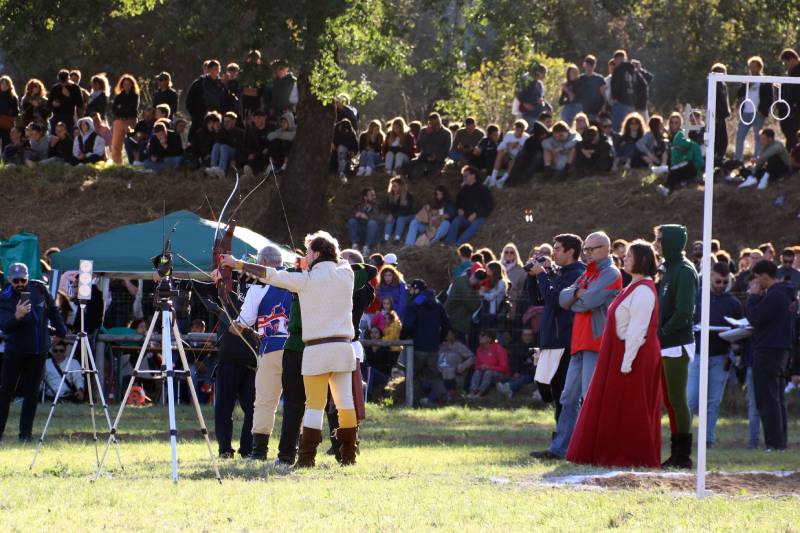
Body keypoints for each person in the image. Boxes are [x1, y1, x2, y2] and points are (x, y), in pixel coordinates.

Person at [221, 230, 360, 467]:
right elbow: (346, 261)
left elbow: (268, 274)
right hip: (343, 348)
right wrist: (320, 258)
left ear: (316, 253)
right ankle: (349, 455)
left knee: (314, 406)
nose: (305, 256)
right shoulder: (346, 274)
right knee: (345, 402)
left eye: (308, 252)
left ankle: (306, 458)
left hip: (316, 350)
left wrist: (237, 264)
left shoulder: (305, 280)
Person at [566, 240, 663, 468]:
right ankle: (606, 450)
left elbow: (637, 331)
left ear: (642, 260)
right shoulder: (632, 287)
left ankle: (630, 454)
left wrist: (626, 363)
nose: (624, 259)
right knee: (614, 407)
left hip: (632, 358)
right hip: (618, 355)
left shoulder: (644, 291)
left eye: (629, 256)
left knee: (630, 408)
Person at [530, 231, 621, 460]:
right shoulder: (587, 273)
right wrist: (576, 296)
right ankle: (560, 449)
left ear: (605, 248)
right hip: (579, 343)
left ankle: (591, 448)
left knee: (588, 398)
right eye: (586, 249)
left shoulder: (610, 273)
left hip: (596, 342)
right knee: (567, 398)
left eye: (592, 249)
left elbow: (586, 301)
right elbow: (562, 299)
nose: (587, 254)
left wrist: (576, 298)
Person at [228, 246, 292, 461]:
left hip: (271, 349)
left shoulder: (258, 289)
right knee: (297, 400)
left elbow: (243, 322)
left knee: (265, 401)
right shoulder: (298, 280)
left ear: (262, 262)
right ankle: (294, 449)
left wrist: (234, 324)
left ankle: (259, 451)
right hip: (298, 349)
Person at [0, 263, 69, 442]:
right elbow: (5, 327)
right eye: (16, 280)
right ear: (9, 279)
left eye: (23, 279)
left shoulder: (39, 289)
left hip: (38, 351)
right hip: (15, 350)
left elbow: (53, 310)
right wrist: (17, 316)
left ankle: (25, 435)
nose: (20, 283)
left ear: (28, 277)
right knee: (6, 392)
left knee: (32, 394)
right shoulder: (5, 296)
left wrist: (61, 332)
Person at [529, 234, 586, 427]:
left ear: (570, 252)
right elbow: (538, 300)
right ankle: (562, 437)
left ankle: (564, 440)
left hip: (564, 341)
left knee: (563, 394)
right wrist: (535, 276)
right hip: (552, 340)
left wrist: (542, 275)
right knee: (549, 390)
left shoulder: (577, 274)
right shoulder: (561, 272)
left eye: (557, 248)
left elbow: (556, 301)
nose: (554, 252)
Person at [654, 224, 698, 469]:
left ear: (671, 241)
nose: (656, 244)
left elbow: (684, 311)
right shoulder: (668, 269)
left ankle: (683, 456)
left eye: (660, 239)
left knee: (677, 399)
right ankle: (676, 454)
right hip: (666, 343)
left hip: (675, 345)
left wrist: (662, 332)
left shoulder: (684, 270)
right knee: (670, 400)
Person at [686, 261, 742, 448]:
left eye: (725, 282)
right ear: (710, 277)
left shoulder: (733, 302)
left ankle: (707, 439)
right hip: (697, 354)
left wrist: (735, 341)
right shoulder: (696, 296)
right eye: (718, 281)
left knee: (713, 401)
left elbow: (739, 329)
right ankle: (683, 437)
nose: (721, 286)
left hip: (720, 356)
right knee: (691, 399)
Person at [746, 259, 795, 451]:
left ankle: (774, 443)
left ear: (765, 276)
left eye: (757, 278)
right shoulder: (787, 293)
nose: (756, 282)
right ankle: (779, 442)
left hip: (768, 350)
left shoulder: (775, 295)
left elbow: (756, 317)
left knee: (767, 399)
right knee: (776, 398)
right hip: (781, 349)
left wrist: (753, 296)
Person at [401, 279, 450, 404]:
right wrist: (439, 339)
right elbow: (446, 324)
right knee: (434, 375)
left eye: (412, 289)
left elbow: (408, 325)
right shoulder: (438, 304)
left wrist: (402, 338)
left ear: (416, 289)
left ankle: (413, 401)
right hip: (433, 347)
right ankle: (444, 399)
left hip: (417, 346)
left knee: (413, 374)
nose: (410, 292)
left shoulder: (414, 305)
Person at [734, 56, 774, 162]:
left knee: (759, 138)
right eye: (750, 67)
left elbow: (770, 98)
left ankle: (757, 160)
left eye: (754, 67)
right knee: (740, 136)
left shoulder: (765, 81)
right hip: (746, 112)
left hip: (758, 113)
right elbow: (739, 94)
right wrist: (747, 85)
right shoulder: (747, 80)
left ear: (759, 67)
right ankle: (737, 160)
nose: (752, 69)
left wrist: (763, 110)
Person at [654, 113, 703, 197]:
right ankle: (668, 187)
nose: (673, 125)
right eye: (672, 122)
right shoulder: (672, 135)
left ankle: (667, 187)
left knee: (676, 169)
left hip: (691, 165)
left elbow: (693, 155)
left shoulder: (689, 135)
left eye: (676, 122)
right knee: (676, 170)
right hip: (681, 162)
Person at [446, 165, 493, 245]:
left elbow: (488, 205)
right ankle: (449, 243)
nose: (464, 178)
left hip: (478, 217)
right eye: (463, 176)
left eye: (466, 176)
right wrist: (459, 209)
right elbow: (457, 203)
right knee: (457, 220)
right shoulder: (463, 190)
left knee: (478, 222)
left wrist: (476, 214)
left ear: (473, 175)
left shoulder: (483, 189)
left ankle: (458, 245)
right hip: (465, 218)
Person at [186, 59, 228, 138]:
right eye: (215, 69)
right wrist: (196, 116)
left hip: (218, 119)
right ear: (209, 70)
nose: (217, 72)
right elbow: (189, 101)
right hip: (201, 119)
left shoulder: (221, 83)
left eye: (218, 69)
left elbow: (226, 100)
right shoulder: (199, 83)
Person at [444, 266, 485, 346]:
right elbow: (475, 305)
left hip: (453, 320)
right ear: (480, 281)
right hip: (457, 323)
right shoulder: (466, 289)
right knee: (460, 350)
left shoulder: (460, 280)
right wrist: (479, 294)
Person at [407, 112, 452, 179]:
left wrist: (436, 155)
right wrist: (427, 135)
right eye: (433, 124)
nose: (435, 126)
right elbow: (418, 146)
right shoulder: (424, 131)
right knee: (411, 163)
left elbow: (447, 149)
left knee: (430, 167)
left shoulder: (446, 133)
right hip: (424, 155)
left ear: (440, 121)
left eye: (437, 123)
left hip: (439, 158)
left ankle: (431, 174)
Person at [487, 120, 529, 187]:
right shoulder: (509, 134)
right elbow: (499, 148)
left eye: (520, 127)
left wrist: (518, 147)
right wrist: (507, 145)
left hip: (517, 160)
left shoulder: (526, 137)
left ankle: (502, 180)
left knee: (513, 161)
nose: (518, 129)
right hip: (507, 157)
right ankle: (493, 178)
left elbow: (527, 152)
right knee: (501, 152)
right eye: (517, 127)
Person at [467, 330, 510, 397]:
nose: (480, 337)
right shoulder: (479, 349)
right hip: (484, 373)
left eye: (483, 335)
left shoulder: (499, 349)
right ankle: (472, 392)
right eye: (480, 335)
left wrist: (489, 367)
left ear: (489, 339)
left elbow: (504, 368)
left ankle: (480, 393)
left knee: (488, 372)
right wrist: (481, 367)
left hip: (501, 375)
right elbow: (476, 366)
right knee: (477, 371)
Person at [496, 328, 536, 399]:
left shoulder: (536, 349)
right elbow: (513, 362)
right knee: (516, 378)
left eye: (529, 335)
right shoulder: (517, 347)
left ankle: (508, 387)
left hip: (530, 374)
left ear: (532, 336)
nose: (527, 337)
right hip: (518, 372)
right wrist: (516, 372)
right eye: (525, 335)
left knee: (523, 377)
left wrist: (521, 372)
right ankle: (507, 388)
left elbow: (535, 365)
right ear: (522, 336)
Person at [206, 111, 245, 178]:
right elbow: (217, 142)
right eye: (224, 122)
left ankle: (222, 170)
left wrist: (236, 160)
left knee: (224, 147)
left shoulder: (240, 132)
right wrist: (217, 132)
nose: (226, 124)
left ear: (234, 121)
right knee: (216, 145)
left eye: (228, 121)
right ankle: (213, 168)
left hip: (233, 153)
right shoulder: (222, 131)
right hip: (223, 153)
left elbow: (241, 148)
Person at [347, 187, 382, 256]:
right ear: (365, 197)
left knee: (372, 223)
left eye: (374, 195)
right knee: (352, 221)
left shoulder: (377, 206)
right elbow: (349, 216)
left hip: (373, 233)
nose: (374, 197)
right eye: (372, 195)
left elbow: (380, 218)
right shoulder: (358, 206)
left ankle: (367, 247)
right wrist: (356, 215)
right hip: (361, 232)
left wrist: (367, 217)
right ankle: (355, 246)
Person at [609, 50, 636, 132]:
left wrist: (614, 97)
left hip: (620, 103)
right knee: (629, 129)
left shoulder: (618, 70)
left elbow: (615, 85)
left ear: (616, 59)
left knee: (617, 129)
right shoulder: (632, 69)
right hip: (631, 103)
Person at [47, 69, 82, 134]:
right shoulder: (55, 88)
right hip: (56, 116)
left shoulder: (74, 88)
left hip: (68, 116)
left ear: (68, 78)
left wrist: (69, 96)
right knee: (54, 136)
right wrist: (53, 104)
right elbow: (48, 104)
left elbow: (80, 104)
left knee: (68, 137)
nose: (63, 83)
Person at [383, 176, 415, 243]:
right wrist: (394, 202)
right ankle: (386, 238)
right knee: (390, 218)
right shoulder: (390, 196)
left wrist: (393, 215)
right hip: (396, 215)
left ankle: (397, 238)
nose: (393, 188)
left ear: (400, 186)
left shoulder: (408, 196)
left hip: (408, 215)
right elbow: (386, 208)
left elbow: (407, 210)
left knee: (400, 219)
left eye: (395, 186)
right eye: (392, 186)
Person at [779, 48, 800, 151]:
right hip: (791, 111)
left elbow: (794, 93)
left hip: (794, 112)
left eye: (785, 62)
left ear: (792, 60)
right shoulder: (791, 72)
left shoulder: (796, 72)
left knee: (793, 137)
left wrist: (793, 109)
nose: (785, 66)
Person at [575, 55, 606, 121]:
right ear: (584, 65)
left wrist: (603, 109)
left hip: (595, 113)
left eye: (591, 64)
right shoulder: (580, 79)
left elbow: (603, 95)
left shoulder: (600, 79)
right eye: (588, 64)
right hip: (582, 112)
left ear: (594, 65)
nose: (589, 67)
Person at [243, 109, 272, 175]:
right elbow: (249, 145)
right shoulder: (252, 131)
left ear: (264, 118)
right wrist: (250, 153)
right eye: (255, 119)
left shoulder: (271, 129)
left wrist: (268, 148)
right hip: (257, 153)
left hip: (267, 154)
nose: (256, 121)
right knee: (251, 159)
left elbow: (274, 143)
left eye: (258, 118)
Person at [0, 75, 20, 147]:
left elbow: (16, 112)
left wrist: (11, 113)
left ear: (9, 85)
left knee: (6, 142)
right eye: (2, 84)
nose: (4, 86)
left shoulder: (13, 97)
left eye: (6, 84)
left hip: (7, 124)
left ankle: (5, 157)